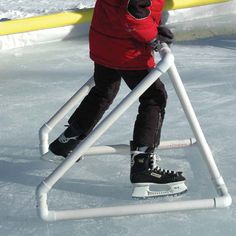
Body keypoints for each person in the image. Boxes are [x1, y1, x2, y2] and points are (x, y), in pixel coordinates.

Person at [49, 0, 187, 198]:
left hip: (105, 40)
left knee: (104, 91)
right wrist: (153, 36)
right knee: (153, 97)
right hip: (127, 48)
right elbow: (134, 13)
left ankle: (66, 141)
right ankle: (143, 166)